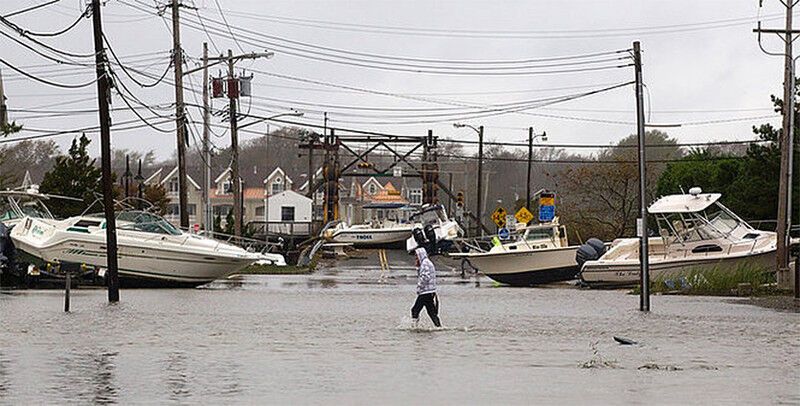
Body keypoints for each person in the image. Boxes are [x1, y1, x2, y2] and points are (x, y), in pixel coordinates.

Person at [411, 247, 441, 328]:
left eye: (416, 256)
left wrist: (419, 287)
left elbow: (425, 277)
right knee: (432, 313)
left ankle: (414, 327)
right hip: (430, 292)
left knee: (415, 310)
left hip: (425, 292)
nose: (416, 258)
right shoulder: (426, 263)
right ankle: (438, 327)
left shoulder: (425, 263)